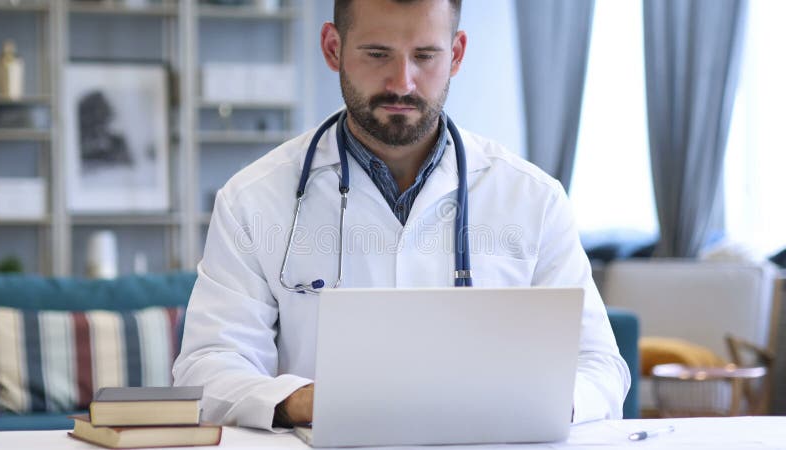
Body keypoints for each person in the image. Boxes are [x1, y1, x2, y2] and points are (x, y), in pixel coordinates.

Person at [173, 0, 630, 430]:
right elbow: (207, 367)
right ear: (333, 48)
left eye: (425, 56)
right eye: (377, 54)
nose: (402, 83)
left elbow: (600, 366)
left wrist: (532, 402)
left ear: (456, 54)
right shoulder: (252, 199)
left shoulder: (535, 199)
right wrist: (307, 401)